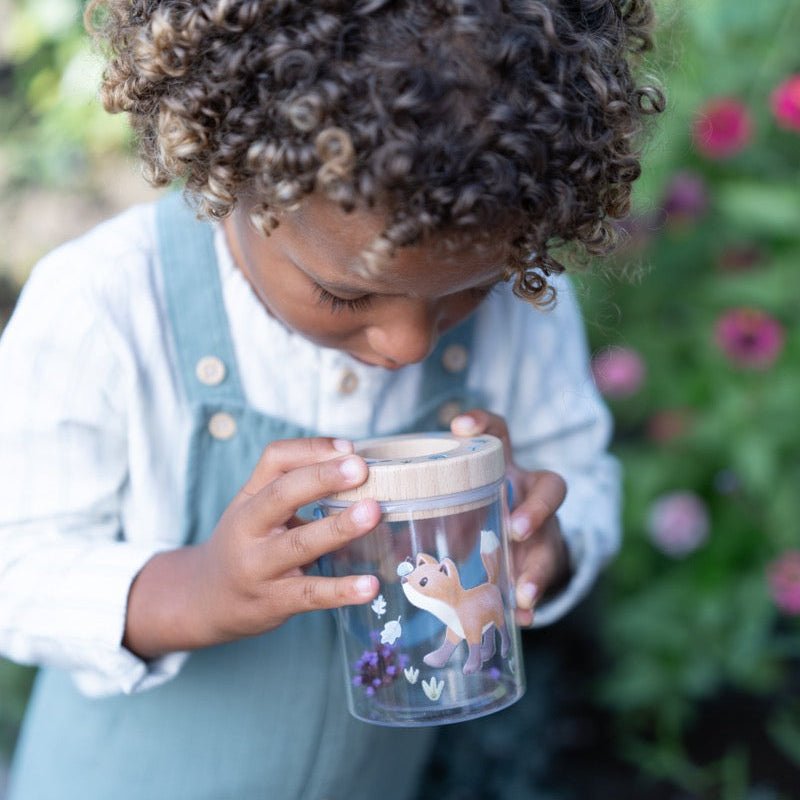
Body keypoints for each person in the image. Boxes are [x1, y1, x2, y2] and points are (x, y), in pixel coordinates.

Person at [0, 1, 663, 798]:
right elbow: (18, 568)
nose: (409, 345)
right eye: (345, 295)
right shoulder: (106, 306)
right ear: (235, 173)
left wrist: (542, 541)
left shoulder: (524, 309)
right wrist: (199, 588)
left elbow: (579, 474)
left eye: (468, 290)